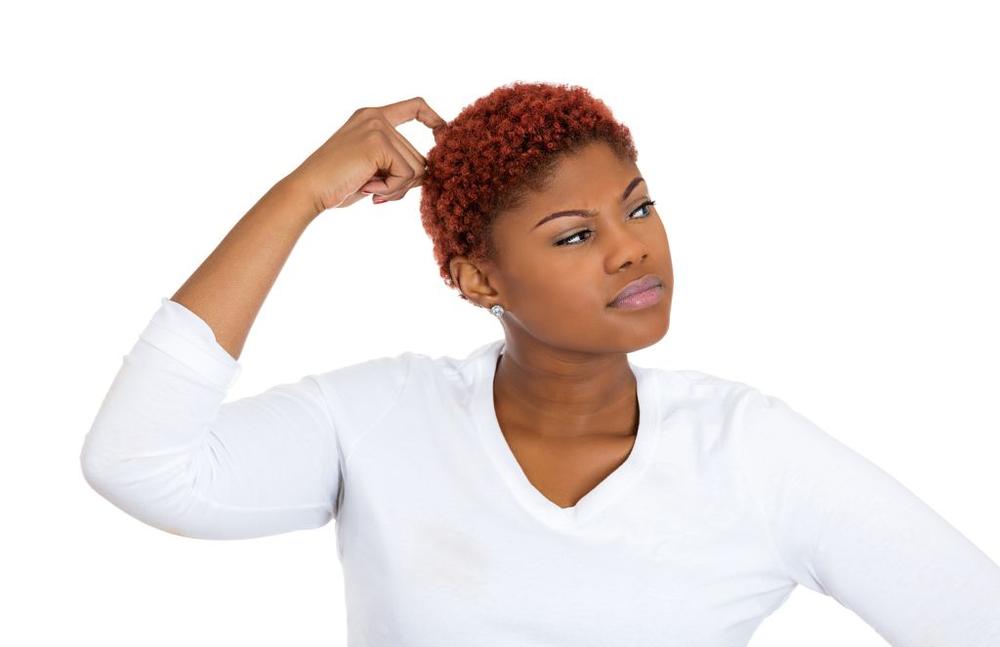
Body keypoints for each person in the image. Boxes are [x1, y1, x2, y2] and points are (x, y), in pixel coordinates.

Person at [80, 82, 1000, 646]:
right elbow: (137, 462)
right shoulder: (380, 420)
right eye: (573, 234)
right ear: (477, 278)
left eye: (638, 208)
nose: (632, 248)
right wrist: (299, 195)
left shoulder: (748, 449)